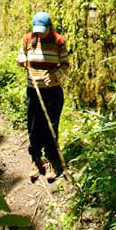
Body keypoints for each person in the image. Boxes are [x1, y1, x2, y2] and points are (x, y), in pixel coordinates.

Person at [16, 11, 69, 182]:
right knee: (34, 126)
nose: (39, 34)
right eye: (37, 30)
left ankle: (52, 160)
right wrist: (21, 58)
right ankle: (36, 159)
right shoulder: (27, 39)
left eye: (43, 30)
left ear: (50, 27)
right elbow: (20, 55)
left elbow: (66, 64)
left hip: (52, 92)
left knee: (51, 127)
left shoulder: (58, 41)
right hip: (34, 90)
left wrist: (55, 74)